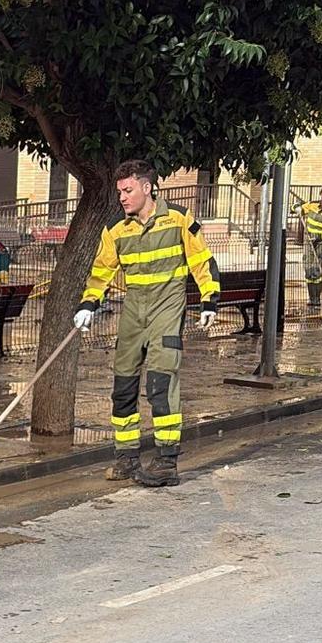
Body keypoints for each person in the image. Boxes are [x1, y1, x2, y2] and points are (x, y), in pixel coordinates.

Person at [73, 159, 221, 489]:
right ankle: (126, 458)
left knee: (160, 383)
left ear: (146, 187)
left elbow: (201, 261)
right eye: (119, 191)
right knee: (123, 387)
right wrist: (88, 303)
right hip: (133, 312)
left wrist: (209, 298)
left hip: (166, 310)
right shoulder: (115, 230)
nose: (122, 197)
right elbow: (101, 273)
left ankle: (166, 461)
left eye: (128, 190)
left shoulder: (179, 219)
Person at [296, 183, 322, 308]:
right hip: (309, 241)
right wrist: (297, 208)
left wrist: (319, 237)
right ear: (320, 194)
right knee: (308, 270)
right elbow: (296, 207)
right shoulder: (312, 204)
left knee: (317, 270)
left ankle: (317, 299)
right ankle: (311, 298)